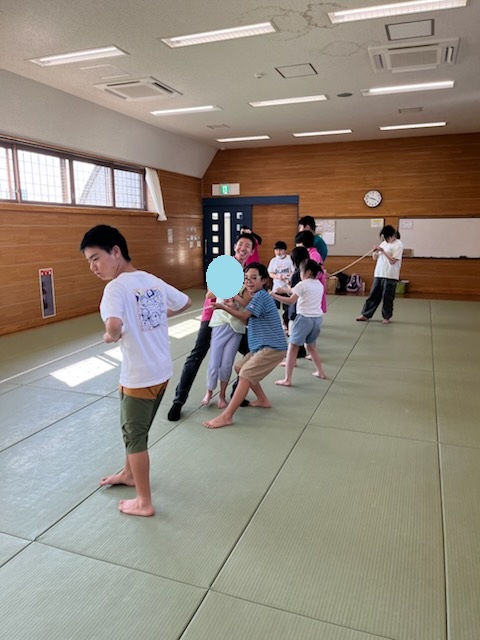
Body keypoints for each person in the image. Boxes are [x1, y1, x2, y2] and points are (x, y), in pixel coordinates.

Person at [80, 224, 191, 517]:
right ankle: (128, 474)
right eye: (89, 261)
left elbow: (114, 327)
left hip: (140, 376)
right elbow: (185, 302)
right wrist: (158, 315)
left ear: (115, 251)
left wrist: (110, 336)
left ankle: (144, 501)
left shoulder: (115, 288)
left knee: (135, 438)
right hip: (161, 370)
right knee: (134, 431)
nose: (93, 267)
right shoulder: (151, 280)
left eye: (95, 258)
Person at [167, 233, 255, 421]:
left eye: (247, 246)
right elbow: (210, 294)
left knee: (252, 353)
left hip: (234, 320)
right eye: (240, 244)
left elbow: (248, 298)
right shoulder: (224, 266)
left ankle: (236, 392)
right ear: (235, 247)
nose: (243, 248)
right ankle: (178, 400)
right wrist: (231, 290)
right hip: (213, 316)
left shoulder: (248, 272)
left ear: (251, 251)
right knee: (197, 355)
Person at [203, 263, 287, 429]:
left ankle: (227, 416)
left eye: (254, 278)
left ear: (264, 280)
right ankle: (262, 400)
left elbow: (243, 316)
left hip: (272, 347)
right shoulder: (256, 297)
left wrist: (223, 307)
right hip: (262, 347)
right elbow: (247, 321)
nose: (249, 281)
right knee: (240, 367)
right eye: (246, 278)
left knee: (246, 374)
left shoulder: (261, 296)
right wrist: (231, 307)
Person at [271, 259, 326, 386]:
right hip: (317, 319)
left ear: (307, 272)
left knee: (292, 348)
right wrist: (284, 290)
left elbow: (291, 301)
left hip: (304, 319)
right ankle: (320, 372)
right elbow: (296, 291)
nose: (300, 273)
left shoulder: (302, 284)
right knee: (311, 347)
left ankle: (287, 379)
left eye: (301, 271)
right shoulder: (319, 284)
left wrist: (274, 295)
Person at [202, 286, 250, 409]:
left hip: (236, 326)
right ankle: (209, 391)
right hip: (220, 323)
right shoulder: (222, 282)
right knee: (214, 363)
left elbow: (247, 304)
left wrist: (234, 296)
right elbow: (209, 295)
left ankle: (222, 395)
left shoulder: (244, 287)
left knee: (227, 364)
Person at [356, 225, 403, 324]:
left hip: (390, 275)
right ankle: (365, 314)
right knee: (373, 295)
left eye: (388, 237)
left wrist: (383, 251)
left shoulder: (398, 244)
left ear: (393, 235)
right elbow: (375, 258)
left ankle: (386, 317)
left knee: (387, 297)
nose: (387, 239)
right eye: (385, 238)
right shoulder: (384, 243)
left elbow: (393, 261)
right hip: (379, 273)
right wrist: (375, 252)